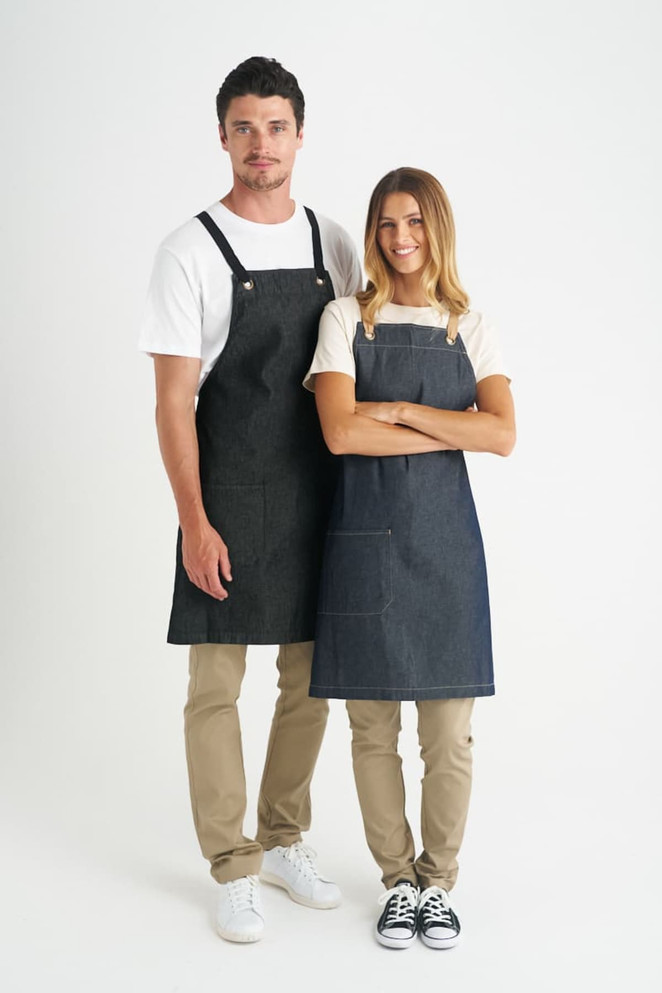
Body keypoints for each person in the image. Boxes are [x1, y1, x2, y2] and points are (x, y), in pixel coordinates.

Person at [139, 56, 362, 943]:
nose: (260, 143)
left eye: (276, 126)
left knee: (311, 678)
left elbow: (349, 370)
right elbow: (172, 402)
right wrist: (194, 520)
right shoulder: (188, 250)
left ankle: (281, 836)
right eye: (244, 127)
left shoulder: (334, 242)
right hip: (226, 491)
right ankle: (230, 862)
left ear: (299, 135)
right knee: (216, 683)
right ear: (222, 135)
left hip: (318, 488)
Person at [304, 167, 515, 949]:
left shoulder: (471, 325)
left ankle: (439, 881)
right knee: (370, 729)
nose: (400, 239)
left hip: (446, 549)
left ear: (437, 229)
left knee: (448, 736)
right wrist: (443, 425)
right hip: (363, 544)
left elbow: (500, 434)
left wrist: (392, 407)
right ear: (373, 231)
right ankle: (397, 881)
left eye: (415, 222)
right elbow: (338, 432)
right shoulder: (343, 318)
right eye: (387, 224)